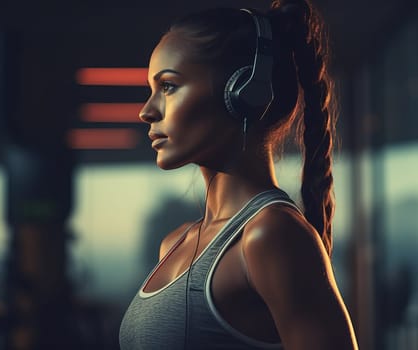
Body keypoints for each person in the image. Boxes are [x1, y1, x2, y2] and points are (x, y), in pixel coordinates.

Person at [119, 1, 359, 349]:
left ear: (245, 92)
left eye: (168, 86)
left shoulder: (270, 235)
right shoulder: (175, 245)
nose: (146, 111)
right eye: (151, 89)